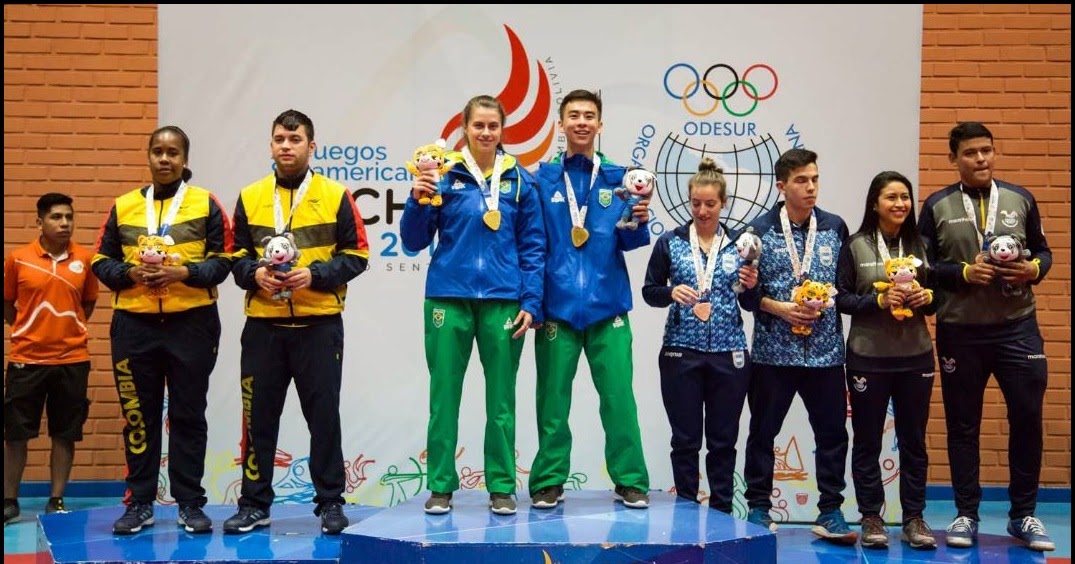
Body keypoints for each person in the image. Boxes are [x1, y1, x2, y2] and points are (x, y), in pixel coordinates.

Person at [225, 109, 370, 535]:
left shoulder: (335, 194)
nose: (286, 146)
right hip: (264, 327)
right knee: (258, 419)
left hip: (318, 326)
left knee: (324, 417)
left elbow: (357, 256)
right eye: (279, 139)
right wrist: (255, 274)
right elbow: (234, 258)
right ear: (270, 146)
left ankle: (330, 503)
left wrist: (316, 274)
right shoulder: (250, 196)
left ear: (312, 146)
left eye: (295, 139)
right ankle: (254, 504)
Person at [401, 94, 545, 516]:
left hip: (503, 301)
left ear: (502, 130)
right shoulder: (443, 174)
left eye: (493, 126)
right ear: (464, 127)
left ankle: (501, 486)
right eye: (478, 125)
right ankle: (441, 486)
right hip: (448, 297)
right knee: (444, 396)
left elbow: (534, 246)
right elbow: (412, 241)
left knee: (502, 400)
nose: (485, 133)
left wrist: (531, 302)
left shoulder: (520, 179)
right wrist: (418, 198)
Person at [918, 122, 1055, 552]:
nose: (981, 159)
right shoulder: (937, 205)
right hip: (960, 332)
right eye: (971, 153)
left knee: (1028, 420)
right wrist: (962, 273)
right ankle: (966, 514)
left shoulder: (1019, 199)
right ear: (953, 158)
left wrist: (1035, 269)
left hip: (1018, 329)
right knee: (962, 425)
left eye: (987, 151)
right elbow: (922, 267)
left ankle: (1023, 515)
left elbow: (1044, 252)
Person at [92, 126, 233, 535]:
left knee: (189, 416)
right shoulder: (123, 206)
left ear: (185, 159)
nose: (165, 159)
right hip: (134, 326)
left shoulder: (206, 204)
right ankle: (139, 503)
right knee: (139, 417)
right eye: (158, 151)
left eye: (173, 152)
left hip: (192, 324)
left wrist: (183, 273)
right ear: (149, 157)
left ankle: (190, 504)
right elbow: (101, 261)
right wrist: (128, 273)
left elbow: (223, 262)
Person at [528, 89, 651, 510]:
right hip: (556, 309)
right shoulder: (540, 178)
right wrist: (535, 301)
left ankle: (631, 479)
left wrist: (638, 221)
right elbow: (532, 243)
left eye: (590, 116)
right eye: (573, 115)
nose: (582, 122)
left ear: (600, 125)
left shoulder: (621, 178)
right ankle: (547, 480)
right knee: (552, 402)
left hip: (608, 304)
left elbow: (633, 240)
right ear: (560, 125)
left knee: (619, 398)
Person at [739, 148, 855, 543]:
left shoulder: (835, 228)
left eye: (815, 179)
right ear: (782, 186)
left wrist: (824, 300)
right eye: (802, 181)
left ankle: (831, 511)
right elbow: (745, 296)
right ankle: (757, 507)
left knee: (832, 434)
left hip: (825, 354)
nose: (810, 187)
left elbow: (846, 286)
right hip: (773, 352)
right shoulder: (757, 231)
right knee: (763, 431)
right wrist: (780, 308)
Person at [641, 158, 758, 513]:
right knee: (685, 440)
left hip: (730, 354)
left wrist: (752, 285)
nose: (703, 210)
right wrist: (670, 292)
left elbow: (751, 302)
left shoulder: (743, 244)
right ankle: (687, 512)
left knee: (723, 442)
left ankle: (723, 514)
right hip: (681, 353)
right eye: (696, 203)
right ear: (689, 201)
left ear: (723, 203)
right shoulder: (670, 242)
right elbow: (649, 291)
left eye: (710, 204)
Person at [835, 171, 937, 550]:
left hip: (916, 358)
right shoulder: (856, 245)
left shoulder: (924, 244)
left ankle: (914, 517)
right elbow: (841, 298)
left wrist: (929, 298)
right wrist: (877, 301)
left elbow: (941, 295)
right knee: (866, 442)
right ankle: (871, 517)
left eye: (905, 197)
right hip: (867, 358)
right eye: (891, 197)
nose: (900, 204)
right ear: (875, 203)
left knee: (913, 441)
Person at [4, 193, 99, 525]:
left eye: (69, 217)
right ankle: (9, 501)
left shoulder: (85, 260)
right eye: (57, 217)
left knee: (65, 433)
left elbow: (86, 306)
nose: (64, 223)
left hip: (72, 361)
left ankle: (57, 498)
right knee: (15, 434)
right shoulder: (18, 259)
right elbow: (8, 304)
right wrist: (30, 329)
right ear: (40, 221)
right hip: (25, 360)